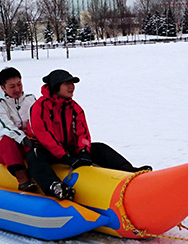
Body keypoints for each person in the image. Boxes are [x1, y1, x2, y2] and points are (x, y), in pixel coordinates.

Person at [26, 69, 151, 201]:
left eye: (72, 83)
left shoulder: (74, 108)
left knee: (99, 148)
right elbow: (45, 136)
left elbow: (82, 132)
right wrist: (66, 157)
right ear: (56, 86)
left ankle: (129, 171)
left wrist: (84, 152)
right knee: (34, 155)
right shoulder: (40, 107)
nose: (71, 87)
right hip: (47, 151)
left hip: (67, 149)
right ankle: (54, 186)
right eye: (67, 83)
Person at [0, 67, 37, 191]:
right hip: (6, 149)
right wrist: (23, 138)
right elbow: (4, 127)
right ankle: (23, 180)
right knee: (8, 140)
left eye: (19, 84)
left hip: (27, 142)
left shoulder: (31, 99)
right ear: (3, 88)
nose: (17, 89)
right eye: (12, 86)